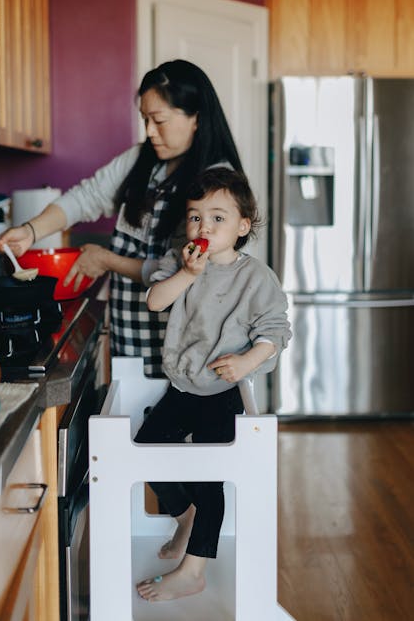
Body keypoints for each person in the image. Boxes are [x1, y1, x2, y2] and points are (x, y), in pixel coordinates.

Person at [0, 60, 245, 377]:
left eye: (159, 120)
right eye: (145, 120)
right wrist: (30, 232)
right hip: (132, 336)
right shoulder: (142, 159)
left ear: (195, 117)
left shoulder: (217, 183)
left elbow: (188, 268)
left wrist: (106, 260)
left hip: (185, 346)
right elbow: (86, 198)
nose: (150, 132)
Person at [134, 167, 291, 602]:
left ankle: (194, 569)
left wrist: (247, 361)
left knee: (210, 478)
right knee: (147, 446)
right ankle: (185, 517)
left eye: (217, 218)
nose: (204, 227)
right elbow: (155, 300)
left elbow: (276, 332)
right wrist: (186, 273)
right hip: (183, 384)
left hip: (223, 392)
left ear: (242, 227)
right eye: (196, 216)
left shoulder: (256, 278)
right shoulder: (180, 259)